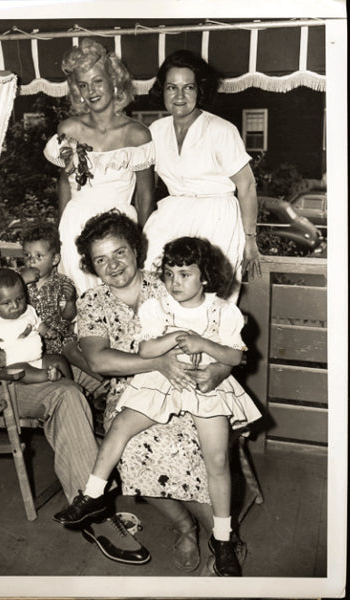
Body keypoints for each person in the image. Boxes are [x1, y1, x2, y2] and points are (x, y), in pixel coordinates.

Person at [0, 211, 151, 565]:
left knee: (111, 372)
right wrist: (18, 354)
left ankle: (134, 464)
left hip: (40, 365)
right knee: (66, 394)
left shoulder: (8, 281)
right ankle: (94, 512)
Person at [54, 235, 262, 576]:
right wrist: (167, 353)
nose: (114, 264)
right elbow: (117, 357)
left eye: (120, 252)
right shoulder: (102, 301)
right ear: (91, 265)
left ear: (135, 252)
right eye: (101, 259)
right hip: (146, 389)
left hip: (204, 388)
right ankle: (167, 521)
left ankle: (223, 537)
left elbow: (235, 355)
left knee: (212, 457)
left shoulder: (171, 290)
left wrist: (210, 357)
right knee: (130, 441)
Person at [143, 49, 261, 302]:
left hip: (217, 216)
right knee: (155, 288)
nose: (180, 96)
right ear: (162, 90)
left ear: (200, 90)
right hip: (172, 214)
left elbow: (247, 186)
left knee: (210, 296)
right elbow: (145, 185)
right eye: (172, 87)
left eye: (188, 87)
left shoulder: (221, 130)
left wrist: (250, 239)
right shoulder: (155, 130)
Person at [43, 38, 155, 294]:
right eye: (83, 85)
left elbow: (145, 195)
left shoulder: (137, 134)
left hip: (121, 229)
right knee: (81, 303)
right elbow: (63, 182)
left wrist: (142, 241)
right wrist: (60, 234)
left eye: (97, 81)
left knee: (123, 301)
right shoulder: (69, 130)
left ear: (114, 82)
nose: (91, 91)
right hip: (76, 225)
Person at [20, 223, 102, 386]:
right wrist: (22, 281)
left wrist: (70, 301)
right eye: (27, 255)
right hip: (33, 337)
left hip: (60, 335)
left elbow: (68, 316)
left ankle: (103, 379)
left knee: (71, 350)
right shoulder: (18, 281)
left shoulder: (62, 283)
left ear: (55, 259)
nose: (31, 262)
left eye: (38, 256)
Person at [0, 267, 72, 383]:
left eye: (19, 299)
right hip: (13, 364)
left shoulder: (28, 310)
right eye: (7, 303)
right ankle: (48, 376)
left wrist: (46, 331)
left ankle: (71, 384)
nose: (15, 306)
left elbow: (38, 324)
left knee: (60, 361)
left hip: (37, 358)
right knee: (23, 372)